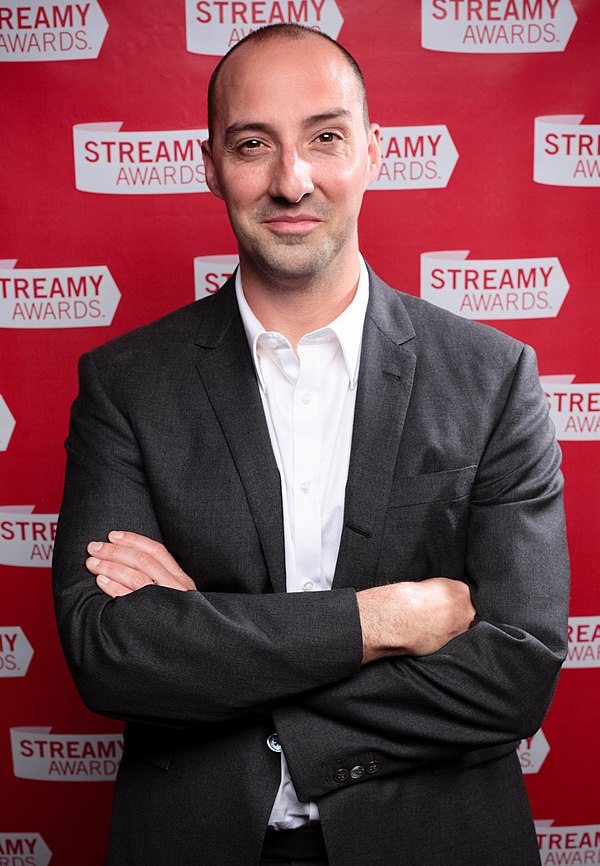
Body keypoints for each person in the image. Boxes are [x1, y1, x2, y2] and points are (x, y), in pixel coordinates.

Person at [52, 23, 569, 866]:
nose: (292, 181)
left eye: (325, 137)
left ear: (373, 150)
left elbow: (516, 673)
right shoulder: (125, 383)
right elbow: (112, 656)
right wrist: (385, 619)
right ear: (211, 164)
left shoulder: (494, 376)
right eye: (254, 144)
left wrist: (211, 641)